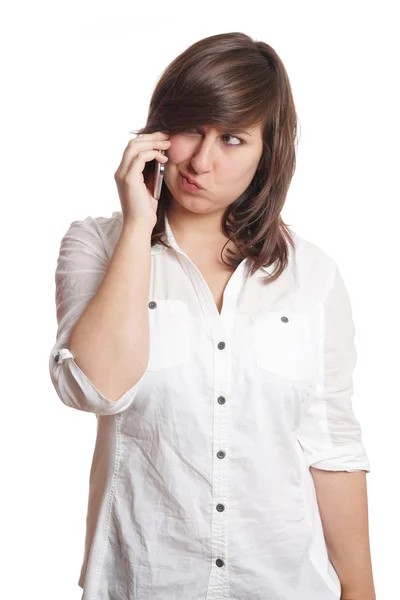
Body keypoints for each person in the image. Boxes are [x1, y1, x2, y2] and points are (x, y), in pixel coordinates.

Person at [49, 32, 375, 600]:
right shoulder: (95, 245)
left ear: (267, 152)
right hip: (145, 582)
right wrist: (135, 227)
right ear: (158, 132)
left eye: (231, 138)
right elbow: (95, 389)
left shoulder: (312, 276)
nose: (202, 160)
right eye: (191, 129)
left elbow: (333, 448)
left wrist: (361, 590)